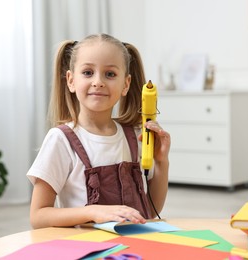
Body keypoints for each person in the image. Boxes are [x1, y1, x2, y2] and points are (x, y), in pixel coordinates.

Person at [27, 33, 171, 229]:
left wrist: (162, 162)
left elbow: (150, 210)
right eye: (87, 72)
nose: (98, 81)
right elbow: (38, 216)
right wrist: (93, 212)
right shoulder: (61, 140)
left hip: (134, 246)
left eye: (110, 74)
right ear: (70, 80)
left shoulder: (134, 137)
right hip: (86, 249)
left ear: (125, 84)